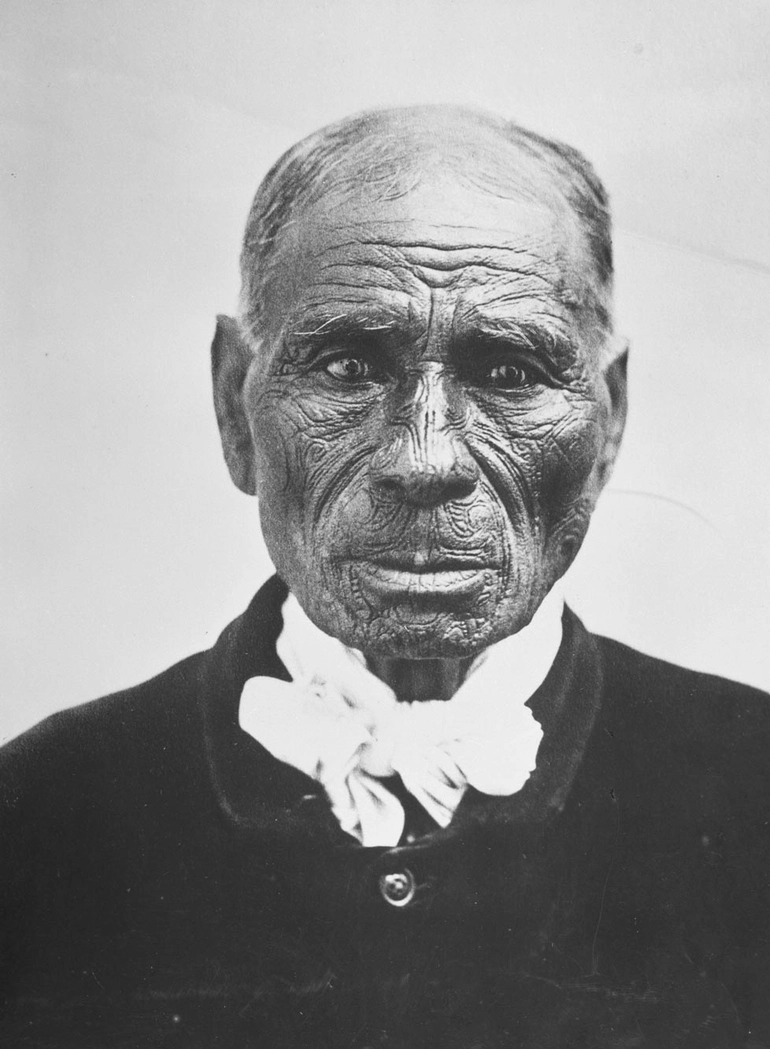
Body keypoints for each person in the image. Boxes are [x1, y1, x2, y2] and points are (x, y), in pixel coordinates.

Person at [2, 105, 769, 1048]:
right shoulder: (35, 816)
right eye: (347, 362)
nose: (426, 457)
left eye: (511, 370)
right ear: (234, 407)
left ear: (608, 421)